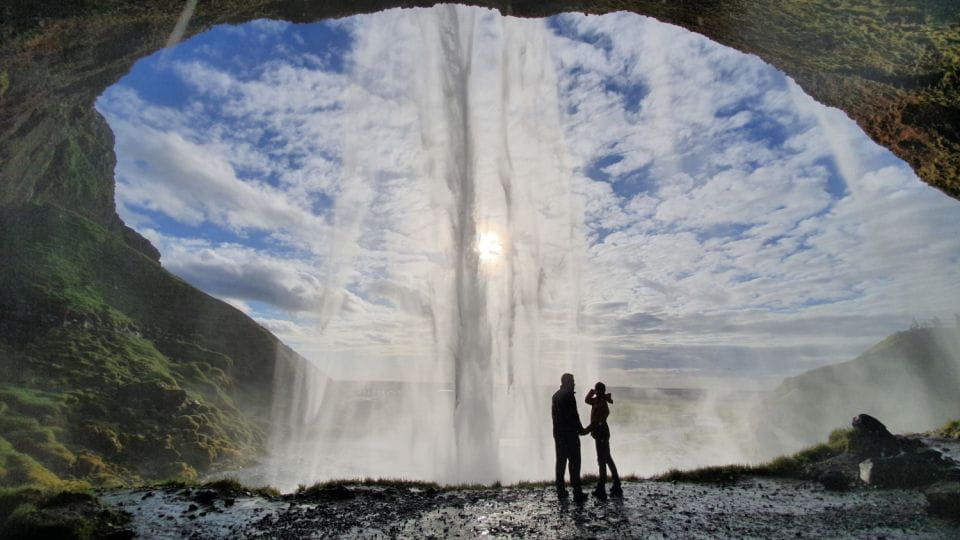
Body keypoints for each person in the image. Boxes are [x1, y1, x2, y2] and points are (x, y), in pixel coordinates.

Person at [551, 373, 589, 503]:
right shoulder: (569, 395)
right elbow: (574, 415)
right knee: (574, 463)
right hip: (570, 435)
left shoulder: (555, 395)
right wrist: (581, 430)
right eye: (572, 381)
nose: (574, 383)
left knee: (560, 463)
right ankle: (577, 493)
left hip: (559, 435)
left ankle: (561, 492)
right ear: (567, 382)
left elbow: (556, 417)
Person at [585, 381, 622, 499]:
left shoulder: (601, 402)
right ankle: (614, 484)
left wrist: (586, 430)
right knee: (606, 459)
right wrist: (592, 392)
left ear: (600, 391)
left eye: (597, 390)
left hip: (601, 434)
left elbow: (598, 421)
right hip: (600, 434)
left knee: (603, 460)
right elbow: (587, 400)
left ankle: (603, 487)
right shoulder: (598, 400)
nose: (596, 392)